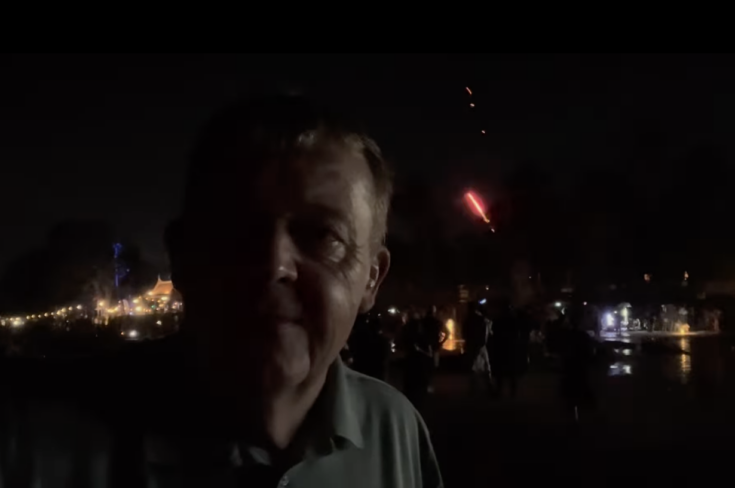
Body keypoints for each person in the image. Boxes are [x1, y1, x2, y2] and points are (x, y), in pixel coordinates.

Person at [0, 95, 442, 487]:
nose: (274, 264)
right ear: (182, 256)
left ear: (372, 278)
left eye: (323, 235)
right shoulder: (30, 445)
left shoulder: (395, 430)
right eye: (236, 229)